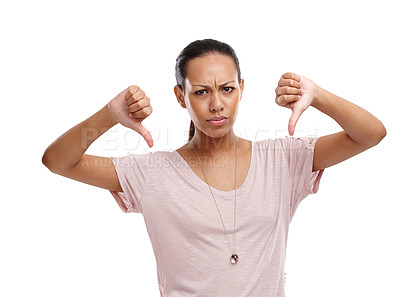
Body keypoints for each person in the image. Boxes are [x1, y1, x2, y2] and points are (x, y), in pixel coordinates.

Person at [42, 38, 386, 297]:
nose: (217, 103)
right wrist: (108, 115)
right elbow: (57, 162)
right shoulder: (152, 173)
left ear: (241, 90)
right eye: (202, 91)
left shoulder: (283, 160)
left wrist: (319, 94)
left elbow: (370, 134)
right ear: (181, 97)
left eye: (227, 89)